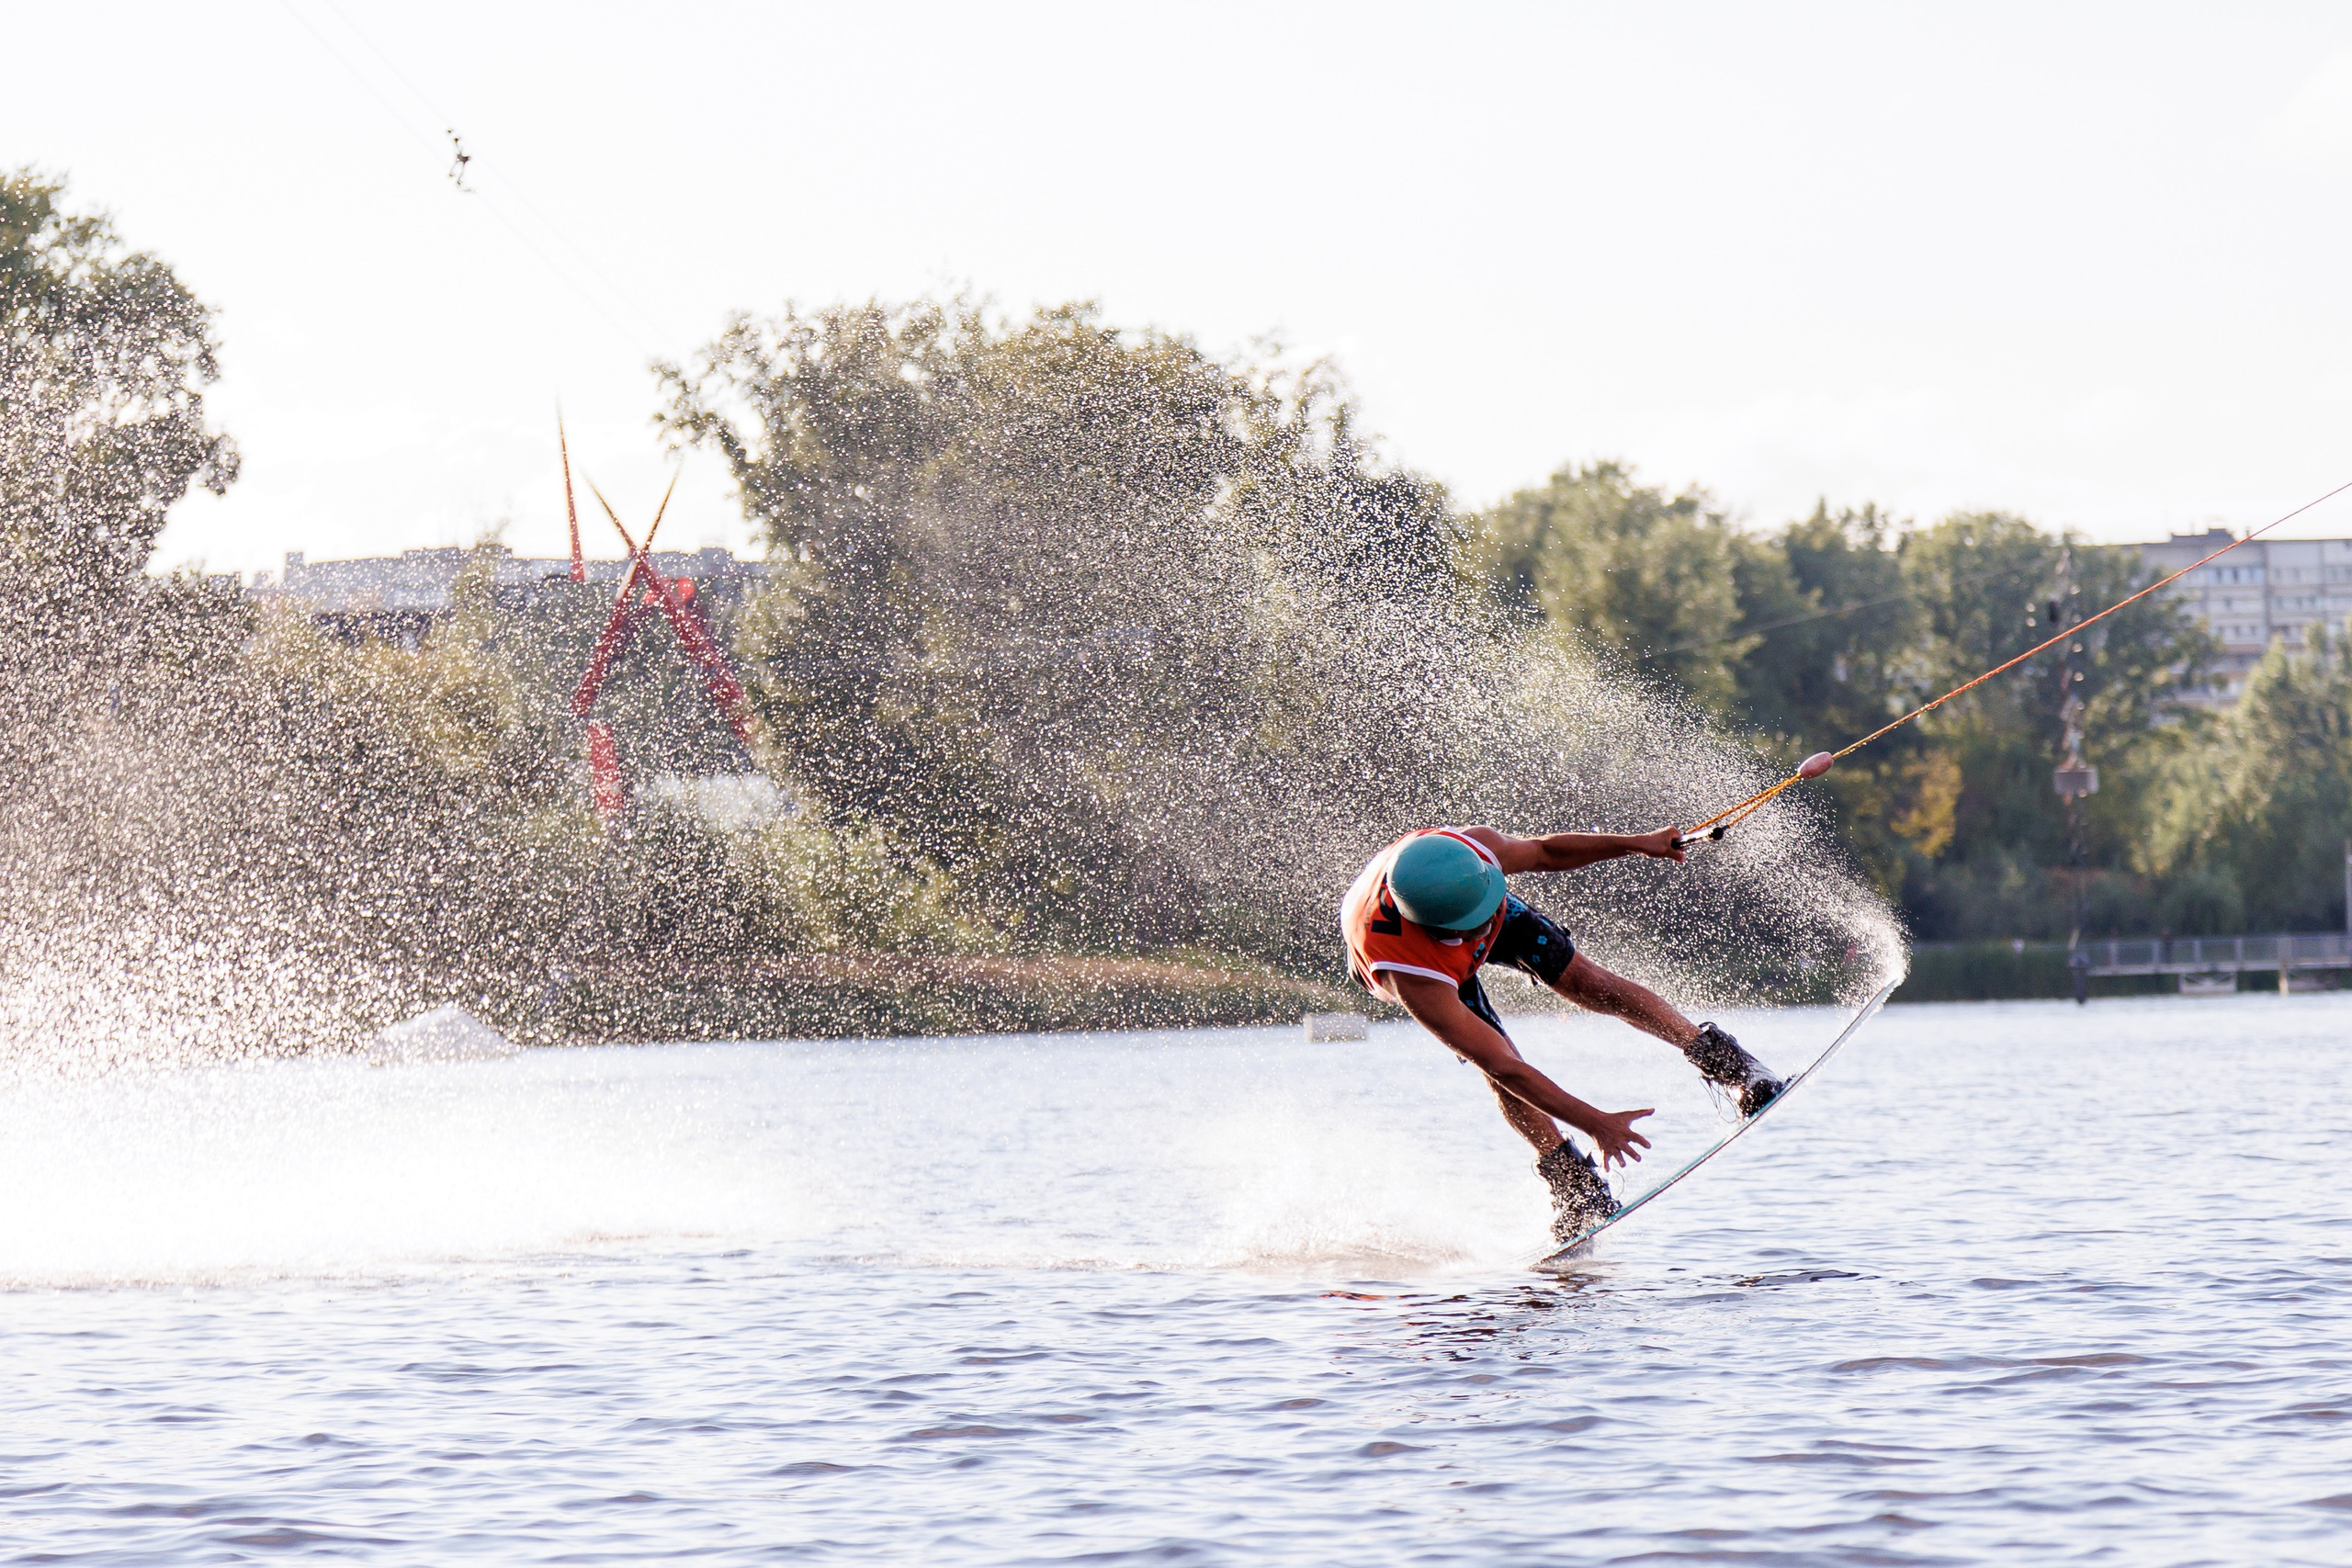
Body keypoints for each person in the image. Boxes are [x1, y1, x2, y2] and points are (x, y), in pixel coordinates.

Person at [1340, 824, 1781, 1247]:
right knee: (1496, 1063)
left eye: (1489, 909)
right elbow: (1506, 1068)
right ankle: (1576, 1186)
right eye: (1476, 925)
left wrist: (1639, 843)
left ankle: (1738, 1070)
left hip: (1449, 889)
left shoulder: (1472, 853)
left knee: (1593, 985)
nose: (1488, 926)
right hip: (1424, 957)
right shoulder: (1413, 978)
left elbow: (1546, 851)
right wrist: (1594, 1123)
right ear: (1442, 930)